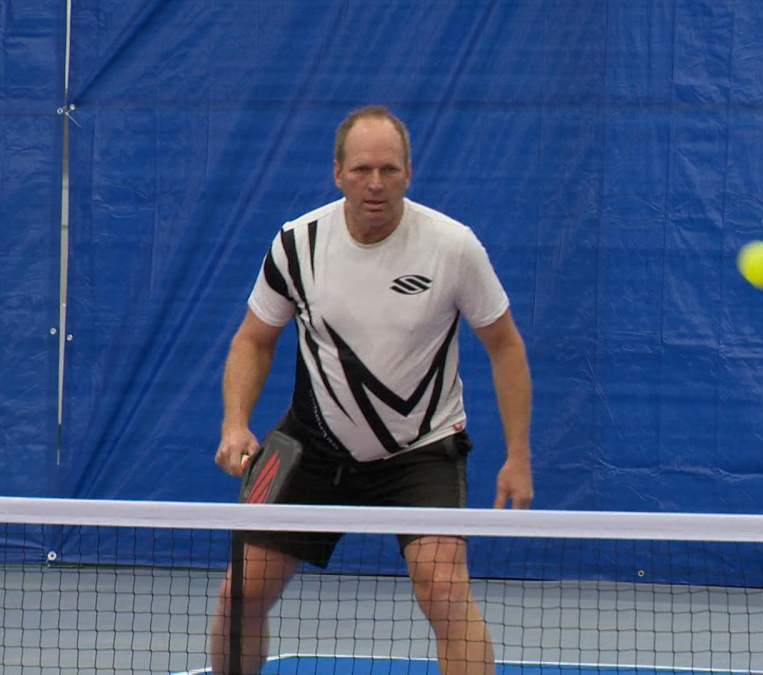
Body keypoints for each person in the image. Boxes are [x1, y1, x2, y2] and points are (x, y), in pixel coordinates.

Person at [207, 105, 534, 675]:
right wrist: (235, 422)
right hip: (308, 446)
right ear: (337, 173)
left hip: (423, 448)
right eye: (361, 170)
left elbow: (505, 344)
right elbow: (254, 341)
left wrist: (518, 456)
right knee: (239, 594)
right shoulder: (296, 245)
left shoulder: (452, 247)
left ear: (409, 172)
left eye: (389, 169)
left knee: (446, 595)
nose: (375, 184)